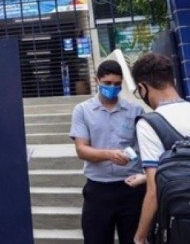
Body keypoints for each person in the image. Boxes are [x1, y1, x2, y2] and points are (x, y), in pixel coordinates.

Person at [131, 53, 190, 244]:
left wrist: (140, 237)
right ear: (172, 81)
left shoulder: (150, 123)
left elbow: (154, 191)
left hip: (178, 222)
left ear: (142, 88)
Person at [69, 60, 146, 244]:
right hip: (98, 190)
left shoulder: (135, 110)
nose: (112, 87)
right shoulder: (83, 110)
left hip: (131, 187)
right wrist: (110, 155)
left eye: (117, 84)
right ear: (97, 81)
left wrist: (129, 156)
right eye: (107, 84)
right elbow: (82, 149)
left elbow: (142, 147)